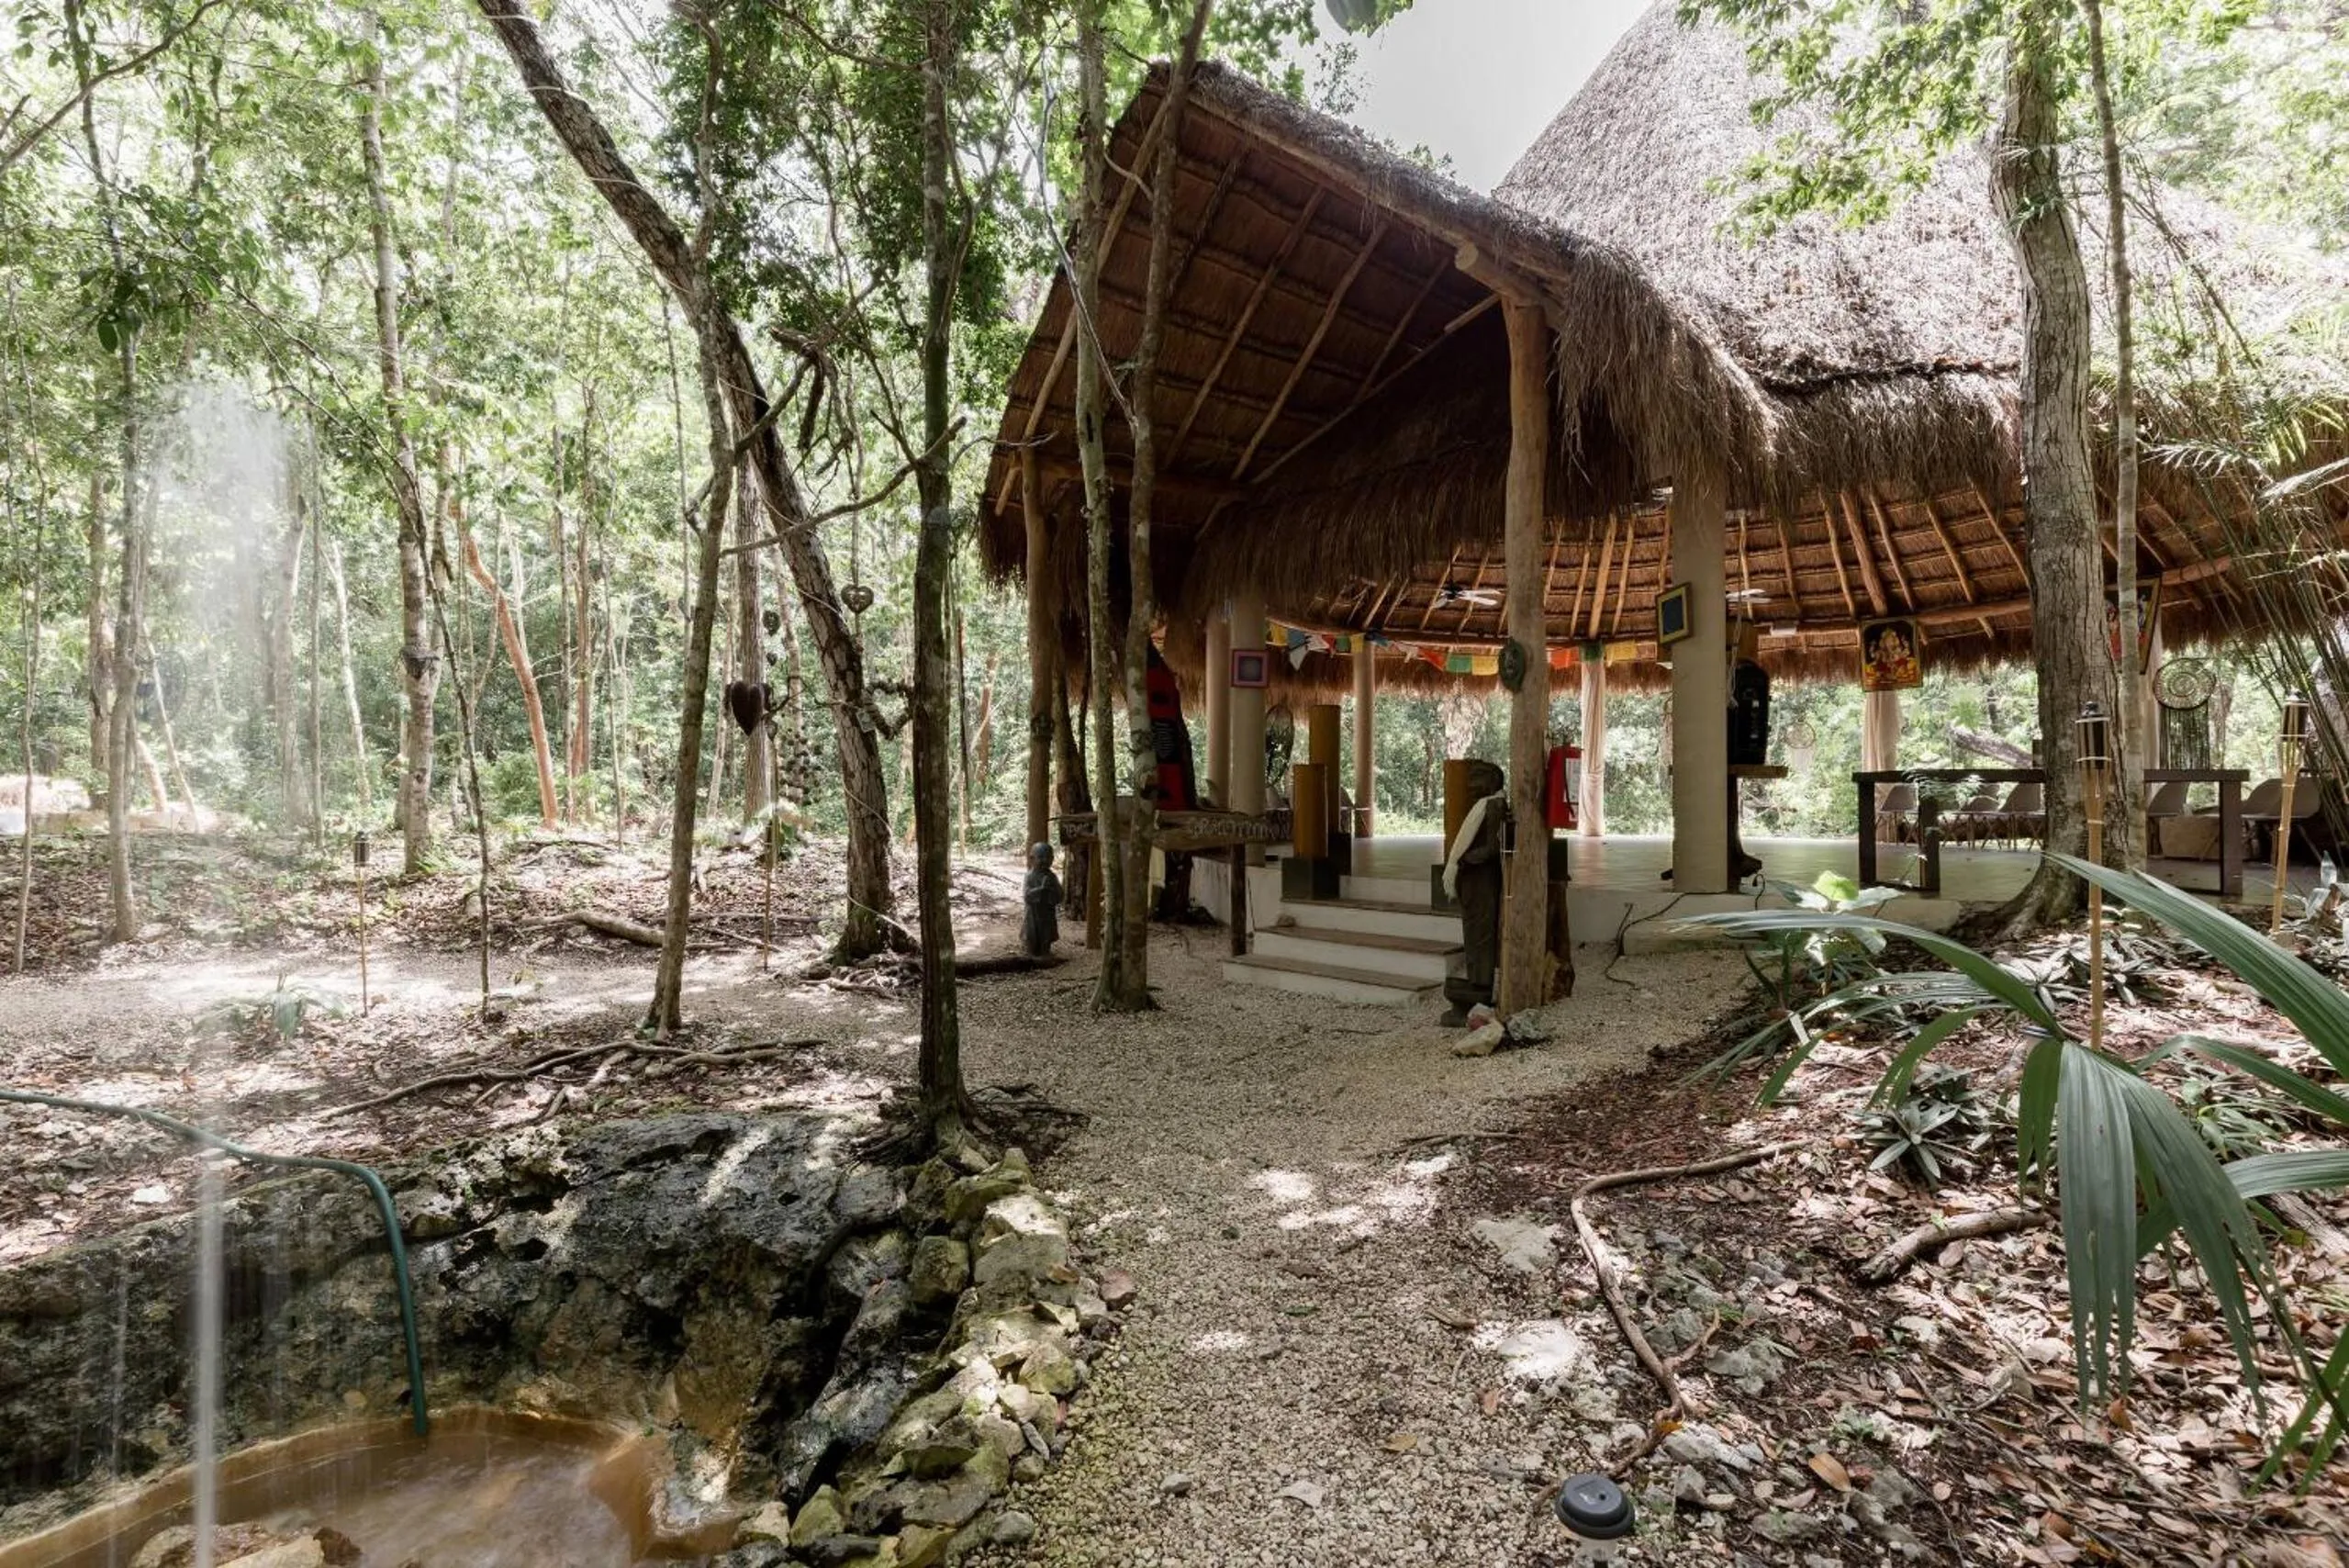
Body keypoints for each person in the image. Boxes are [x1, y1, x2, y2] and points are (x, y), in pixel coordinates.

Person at [1022, 843, 1063, 957]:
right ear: (1032, 858)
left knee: (1046, 933)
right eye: (1041, 857)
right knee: (1032, 933)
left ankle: (1045, 951)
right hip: (1033, 913)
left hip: (1047, 912)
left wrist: (1053, 892)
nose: (1045, 861)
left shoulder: (1052, 876)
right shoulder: (1029, 876)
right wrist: (1040, 889)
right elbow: (1026, 895)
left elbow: (1060, 894)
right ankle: (1031, 952)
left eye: (1048, 858)